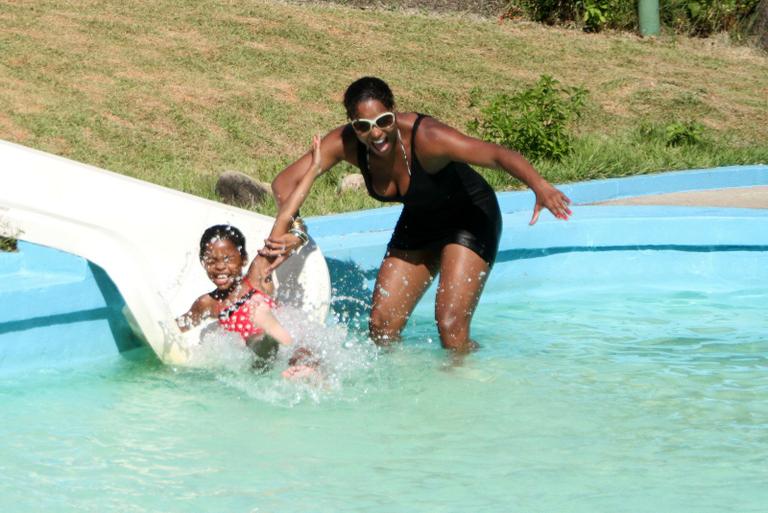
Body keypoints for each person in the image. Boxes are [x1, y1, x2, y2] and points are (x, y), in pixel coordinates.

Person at [263, 77, 572, 353]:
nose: (376, 133)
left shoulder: (427, 137)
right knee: (382, 328)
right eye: (363, 126)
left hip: (469, 217)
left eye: (384, 120)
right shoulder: (345, 144)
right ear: (352, 125)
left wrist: (539, 185)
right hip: (421, 220)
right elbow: (283, 184)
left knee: (451, 327)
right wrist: (297, 231)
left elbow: (495, 153)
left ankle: (468, 387)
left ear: (394, 112)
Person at [177, 136, 323, 375]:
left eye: (228, 259)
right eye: (211, 260)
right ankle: (270, 337)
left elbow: (285, 215)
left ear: (243, 259)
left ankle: (302, 365)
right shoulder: (208, 303)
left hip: (286, 341)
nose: (220, 267)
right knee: (255, 340)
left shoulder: (257, 275)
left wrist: (314, 169)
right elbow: (179, 327)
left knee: (302, 350)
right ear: (202, 263)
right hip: (258, 353)